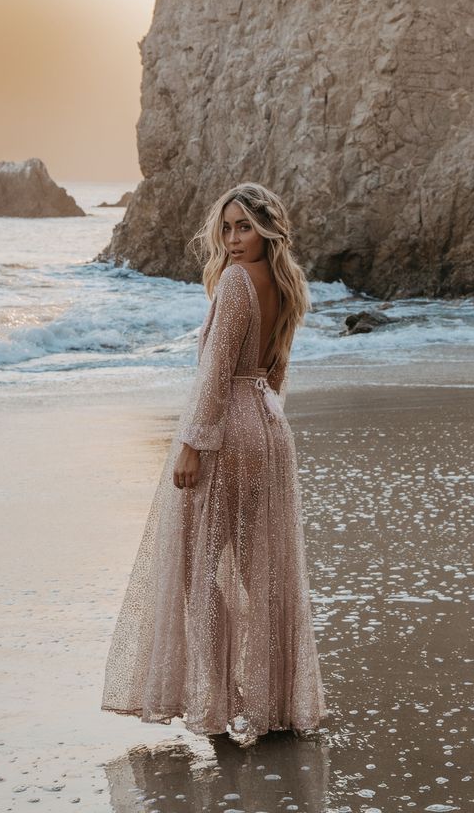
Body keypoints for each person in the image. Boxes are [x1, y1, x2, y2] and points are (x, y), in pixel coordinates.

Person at [100, 182, 328, 747]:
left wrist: (190, 444)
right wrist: (263, 423)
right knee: (261, 573)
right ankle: (274, 702)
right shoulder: (284, 283)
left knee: (200, 572)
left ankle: (220, 699)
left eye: (244, 226)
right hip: (271, 432)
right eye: (225, 228)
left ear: (267, 228)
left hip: (227, 432)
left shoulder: (233, 282)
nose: (232, 239)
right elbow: (274, 373)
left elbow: (216, 372)